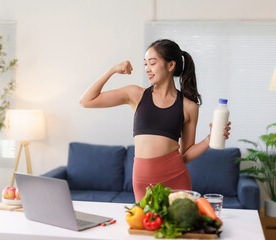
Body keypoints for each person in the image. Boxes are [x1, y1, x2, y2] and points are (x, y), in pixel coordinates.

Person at [79, 39, 231, 201]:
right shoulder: (135, 95)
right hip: (142, 183)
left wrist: (210, 138)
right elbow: (86, 101)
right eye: (145, 64)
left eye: (152, 63)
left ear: (170, 65)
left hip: (176, 179)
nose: (147, 69)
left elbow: (185, 155)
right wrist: (112, 70)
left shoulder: (188, 106)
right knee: (143, 226)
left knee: (178, 227)